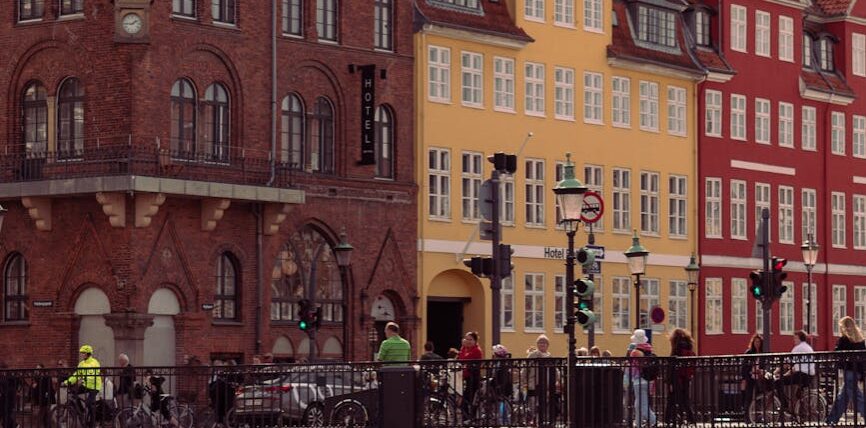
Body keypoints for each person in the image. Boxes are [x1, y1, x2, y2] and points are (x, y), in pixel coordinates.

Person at [827, 316, 866, 424]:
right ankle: (831, 420)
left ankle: (831, 420)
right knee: (842, 398)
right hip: (857, 372)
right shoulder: (860, 340)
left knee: (857, 397)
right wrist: (862, 374)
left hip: (848, 371)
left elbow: (837, 353)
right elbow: (863, 359)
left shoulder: (844, 339)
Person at [774, 330, 815, 412]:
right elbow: (797, 367)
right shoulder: (808, 348)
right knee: (798, 395)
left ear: (799, 339)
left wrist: (776, 372)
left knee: (777, 382)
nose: (794, 340)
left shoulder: (798, 348)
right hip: (809, 376)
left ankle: (784, 405)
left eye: (795, 338)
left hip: (801, 375)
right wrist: (786, 375)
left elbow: (787, 362)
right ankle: (799, 412)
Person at [64, 344, 102, 426]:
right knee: (73, 394)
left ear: (88, 353)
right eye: (81, 353)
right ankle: (82, 411)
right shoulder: (81, 364)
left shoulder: (94, 362)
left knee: (88, 403)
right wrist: (67, 382)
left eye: (83, 353)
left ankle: (93, 422)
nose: (82, 354)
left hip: (94, 386)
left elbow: (94, 374)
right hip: (86, 385)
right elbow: (77, 375)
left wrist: (85, 378)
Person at [664, 328, 696, 425]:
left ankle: (669, 420)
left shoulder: (676, 348)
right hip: (686, 377)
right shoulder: (689, 347)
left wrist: (669, 381)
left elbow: (672, 365)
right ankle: (691, 419)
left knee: (671, 400)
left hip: (676, 378)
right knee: (685, 399)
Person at [526, 334, 557, 426]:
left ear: (548, 345)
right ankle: (534, 419)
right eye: (540, 342)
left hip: (546, 382)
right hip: (534, 382)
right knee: (533, 402)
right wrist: (524, 381)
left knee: (544, 403)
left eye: (544, 343)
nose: (542, 344)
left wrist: (557, 380)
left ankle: (542, 420)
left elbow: (554, 370)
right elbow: (525, 368)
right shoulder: (532, 355)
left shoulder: (549, 356)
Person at [629, 341, 657, 426]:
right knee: (638, 403)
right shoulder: (648, 352)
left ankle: (653, 420)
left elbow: (632, 370)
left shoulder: (635, 353)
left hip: (639, 382)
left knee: (642, 404)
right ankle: (638, 423)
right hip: (648, 381)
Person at [458, 331, 482, 418]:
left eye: (470, 339)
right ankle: (468, 419)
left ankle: (469, 419)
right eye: (467, 339)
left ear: (475, 341)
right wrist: (463, 348)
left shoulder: (476, 350)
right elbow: (460, 358)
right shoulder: (466, 349)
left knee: (467, 401)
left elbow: (464, 358)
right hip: (467, 378)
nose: (468, 341)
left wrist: (463, 347)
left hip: (473, 379)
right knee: (466, 401)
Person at [740, 333, 764, 414]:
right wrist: (744, 378)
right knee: (749, 397)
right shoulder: (749, 352)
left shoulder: (762, 353)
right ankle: (747, 415)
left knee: (759, 396)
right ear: (753, 343)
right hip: (750, 377)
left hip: (759, 377)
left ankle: (758, 415)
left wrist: (761, 371)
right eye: (756, 342)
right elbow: (744, 367)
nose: (757, 343)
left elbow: (763, 365)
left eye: (759, 342)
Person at [31, 362, 56, 428]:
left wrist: (51, 399)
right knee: (46, 417)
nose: (37, 370)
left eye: (38, 369)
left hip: (45, 399)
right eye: (36, 369)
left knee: (41, 416)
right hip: (40, 399)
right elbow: (35, 389)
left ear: (42, 369)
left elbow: (50, 388)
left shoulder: (46, 377)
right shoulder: (36, 377)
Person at [0, 362, 18, 428]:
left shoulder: (9, 376)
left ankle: (15, 425)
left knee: (6, 416)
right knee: (4, 416)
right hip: (3, 399)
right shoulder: (3, 376)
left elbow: (13, 387)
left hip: (8, 399)